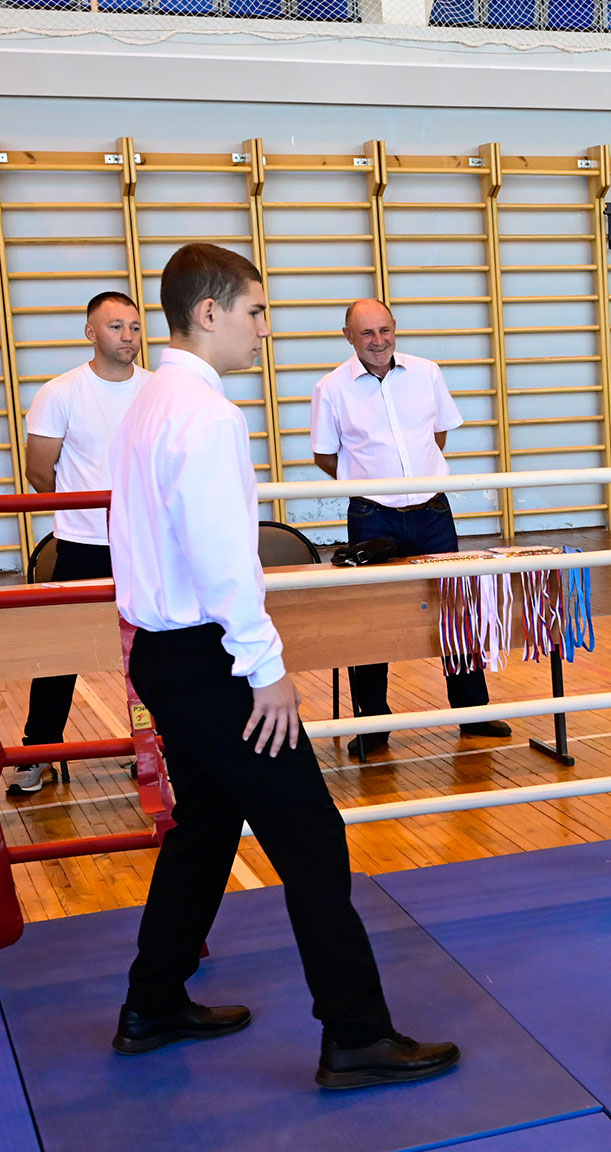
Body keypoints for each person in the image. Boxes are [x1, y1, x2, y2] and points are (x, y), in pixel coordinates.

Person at [108, 243, 457, 1088]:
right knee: (310, 836)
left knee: (206, 827)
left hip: (166, 652)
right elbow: (224, 558)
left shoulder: (150, 400)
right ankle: (356, 1035)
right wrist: (264, 668)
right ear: (210, 313)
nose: (264, 329)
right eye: (256, 311)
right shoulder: (206, 416)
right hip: (211, 660)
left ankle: (153, 1001)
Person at [309, 299, 511, 760]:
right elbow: (324, 455)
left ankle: (473, 712)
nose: (378, 341)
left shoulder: (427, 372)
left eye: (384, 330)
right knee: (371, 618)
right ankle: (373, 725)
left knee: (456, 609)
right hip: (372, 515)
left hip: (432, 511)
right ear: (348, 336)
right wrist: (371, 485)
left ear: (395, 328)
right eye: (366, 333)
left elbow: (438, 434)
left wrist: (416, 482)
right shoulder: (331, 388)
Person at [10, 291, 153, 796]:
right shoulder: (61, 392)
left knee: (156, 650)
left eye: (134, 326)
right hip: (82, 545)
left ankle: (153, 747)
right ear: (91, 333)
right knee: (61, 655)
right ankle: (38, 752)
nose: (128, 336)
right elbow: (38, 471)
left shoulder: (157, 390)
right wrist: (82, 513)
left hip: (146, 545)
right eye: (116, 327)